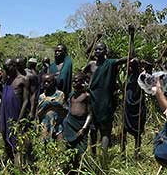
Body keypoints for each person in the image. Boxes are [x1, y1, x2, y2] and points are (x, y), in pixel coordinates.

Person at [88, 26, 134, 158]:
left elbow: (130, 56)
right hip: (92, 102)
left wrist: (131, 37)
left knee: (105, 131)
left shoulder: (111, 63)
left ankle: (103, 157)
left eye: (100, 49)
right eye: (96, 49)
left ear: (105, 51)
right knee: (92, 130)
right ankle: (92, 156)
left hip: (105, 103)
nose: (97, 51)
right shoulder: (91, 64)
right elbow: (82, 73)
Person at [0, 58, 29, 164]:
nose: (6, 71)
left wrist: (20, 119)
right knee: (4, 135)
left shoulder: (23, 80)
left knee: (16, 140)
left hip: (15, 113)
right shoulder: (7, 80)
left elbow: (26, 101)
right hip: (5, 113)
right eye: (4, 69)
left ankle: (18, 166)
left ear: (13, 66)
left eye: (7, 68)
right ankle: (10, 161)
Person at [63, 71, 92, 170]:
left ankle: (81, 169)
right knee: (69, 150)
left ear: (82, 82)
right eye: (73, 82)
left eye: (76, 81)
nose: (74, 84)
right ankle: (71, 169)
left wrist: (84, 128)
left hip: (80, 125)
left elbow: (90, 114)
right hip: (70, 125)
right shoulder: (71, 95)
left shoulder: (86, 96)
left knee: (80, 151)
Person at [122, 58, 147, 159]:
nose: (129, 67)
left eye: (131, 66)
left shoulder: (141, 77)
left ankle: (136, 153)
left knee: (137, 133)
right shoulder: (129, 77)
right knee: (124, 130)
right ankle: (122, 152)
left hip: (137, 109)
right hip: (127, 108)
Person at [37, 74, 66, 140]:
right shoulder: (42, 97)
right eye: (44, 82)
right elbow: (39, 112)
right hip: (45, 125)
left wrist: (48, 103)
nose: (46, 84)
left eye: (49, 82)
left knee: (59, 147)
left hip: (58, 126)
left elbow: (60, 105)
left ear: (54, 82)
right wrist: (50, 103)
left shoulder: (60, 94)